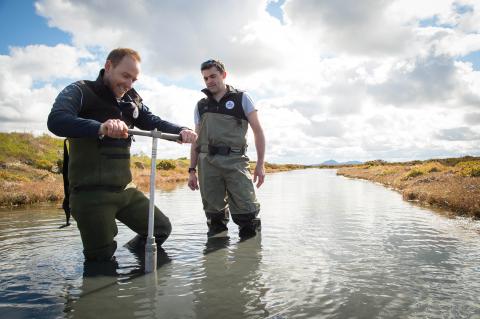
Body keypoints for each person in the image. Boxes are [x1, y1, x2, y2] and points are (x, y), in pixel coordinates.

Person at [47, 48, 197, 262]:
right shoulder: (80, 90)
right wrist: (100, 127)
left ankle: (135, 272)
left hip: (126, 192)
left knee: (161, 229)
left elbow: (153, 122)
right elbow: (56, 120)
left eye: (134, 80)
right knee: (101, 258)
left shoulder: (130, 100)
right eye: (125, 76)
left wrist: (181, 130)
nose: (129, 84)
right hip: (91, 196)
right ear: (108, 67)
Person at [188, 59, 265, 239]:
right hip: (207, 165)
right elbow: (195, 141)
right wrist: (192, 170)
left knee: (247, 214)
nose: (209, 81)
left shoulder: (242, 99)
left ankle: (248, 261)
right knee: (214, 217)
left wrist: (260, 165)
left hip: (236, 162)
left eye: (213, 76)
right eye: (205, 78)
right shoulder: (201, 105)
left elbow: (258, 132)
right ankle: (215, 261)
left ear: (224, 75)